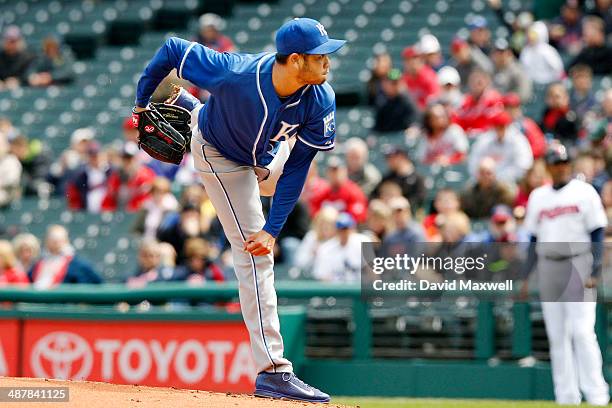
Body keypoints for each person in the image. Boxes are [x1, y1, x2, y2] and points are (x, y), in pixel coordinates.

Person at [133, 17, 344, 402]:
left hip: (266, 156)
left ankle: (190, 107)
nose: (328, 62)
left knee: (271, 194)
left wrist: (275, 229)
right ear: (296, 60)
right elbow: (172, 48)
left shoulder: (319, 97)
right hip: (222, 157)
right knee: (255, 256)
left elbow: (298, 167)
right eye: (320, 56)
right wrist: (141, 102)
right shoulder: (236, 72)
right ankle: (274, 372)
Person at [521, 143, 610, 406]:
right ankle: (566, 396)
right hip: (548, 264)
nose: (560, 168)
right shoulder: (538, 196)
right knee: (557, 336)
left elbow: (597, 232)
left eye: (563, 163)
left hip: (577, 262)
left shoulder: (584, 192)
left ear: (568, 164)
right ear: (548, 166)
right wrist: (526, 276)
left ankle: (597, 395)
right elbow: (534, 239)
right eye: (555, 163)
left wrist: (594, 269)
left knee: (582, 332)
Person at [468, 111, 534, 184]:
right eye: (496, 126)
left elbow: (524, 165)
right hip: (485, 180)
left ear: (508, 126)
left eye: (502, 126)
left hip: (510, 182)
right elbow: (473, 163)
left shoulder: (518, 140)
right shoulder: (485, 139)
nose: (498, 129)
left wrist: (498, 177)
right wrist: (483, 176)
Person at [29, 225, 102, 289]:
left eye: (58, 240)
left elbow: (96, 284)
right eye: (52, 240)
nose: (55, 243)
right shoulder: (39, 264)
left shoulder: (78, 265)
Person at [311, 212, 369, 282]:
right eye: (341, 229)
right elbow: (322, 277)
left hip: (358, 289)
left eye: (346, 229)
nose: (343, 232)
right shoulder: (326, 249)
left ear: (352, 228)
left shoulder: (362, 242)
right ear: (336, 230)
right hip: (336, 290)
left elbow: (372, 271)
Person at [310, 155, 368, 224]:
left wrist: (335, 218)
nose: (334, 175)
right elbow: (313, 213)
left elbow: (359, 216)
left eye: (337, 171)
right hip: (325, 230)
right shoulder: (323, 192)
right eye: (331, 171)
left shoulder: (353, 191)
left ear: (344, 172)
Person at [455, 69, 504, 135]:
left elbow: (497, 122)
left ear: (486, 83)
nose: (476, 86)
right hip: (470, 137)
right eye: (473, 83)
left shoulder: (494, 99)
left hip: (489, 136)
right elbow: (459, 121)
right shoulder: (466, 101)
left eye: (479, 83)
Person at [503, 93, 547, 159]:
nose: (510, 111)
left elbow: (539, 146)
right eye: (507, 107)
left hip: (526, 161)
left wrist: (523, 155)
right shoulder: (499, 126)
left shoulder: (526, 124)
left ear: (518, 108)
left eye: (513, 107)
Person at [373, 68, 418, 133]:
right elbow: (377, 127)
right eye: (392, 83)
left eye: (396, 83)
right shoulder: (383, 102)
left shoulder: (408, 102)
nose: (395, 85)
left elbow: (414, 124)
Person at [491, 38, 532, 102]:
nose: (498, 55)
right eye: (496, 52)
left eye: (502, 52)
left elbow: (524, 94)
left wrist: (508, 100)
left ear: (509, 53)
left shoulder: (517, 70)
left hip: (510, 106)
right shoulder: (492, 68)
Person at [401, 46, 439, 110]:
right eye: (408, 59)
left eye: (414, 58)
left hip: (427, 113)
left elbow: (435, 100)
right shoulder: (404, 79)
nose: (412, 62)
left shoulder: (428, 76)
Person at [0, 26, 34, 90]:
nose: (11, 44)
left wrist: (18, 81)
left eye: (13, 41)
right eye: (8, 40)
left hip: (22, 89)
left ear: (20, 41)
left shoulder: (28, 57)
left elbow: (29, 76)